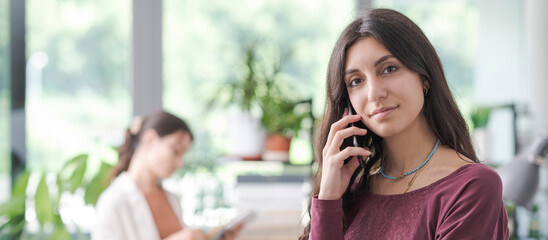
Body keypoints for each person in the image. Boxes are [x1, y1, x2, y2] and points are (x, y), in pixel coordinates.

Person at [300, 9, 509, 240]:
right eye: (356, 81)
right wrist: (328, 200)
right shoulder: (352, 190)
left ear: (425, 77)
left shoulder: (471, 188)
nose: (374, 93)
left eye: (389, 69)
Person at [92, 110, 240, 240]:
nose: (180, 163)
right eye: (175, 151)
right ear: (149, 139)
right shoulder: (114, 201)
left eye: (182, 155)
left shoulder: (172, 198)